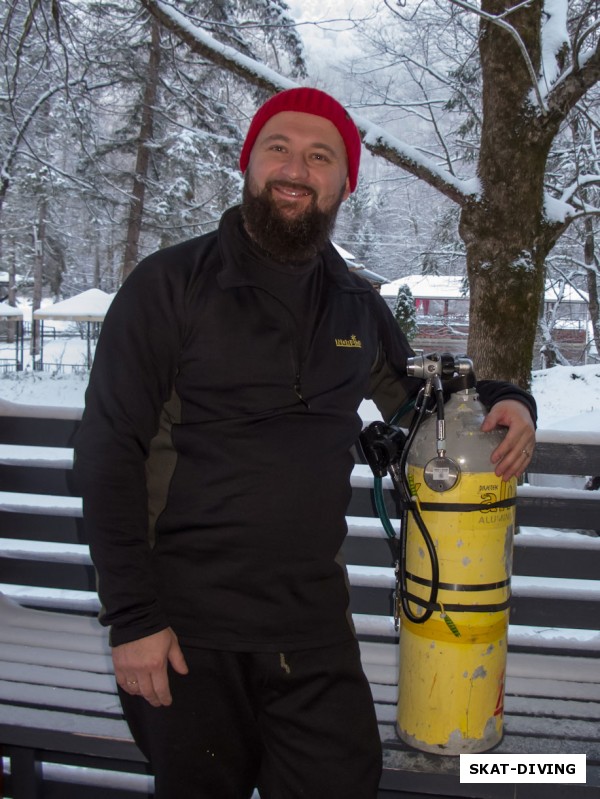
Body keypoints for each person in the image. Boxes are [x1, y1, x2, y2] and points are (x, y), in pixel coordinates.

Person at [74, 87, 536, 799]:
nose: (297, 168)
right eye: (278, 148)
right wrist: (133, 618)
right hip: (185, 626)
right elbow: (108, 450)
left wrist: (508, 399)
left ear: (344, 182)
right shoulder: (169, 286)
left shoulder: (355, 301)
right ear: (248, 164)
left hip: (311, 622)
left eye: (320, 156)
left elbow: (419, 403)